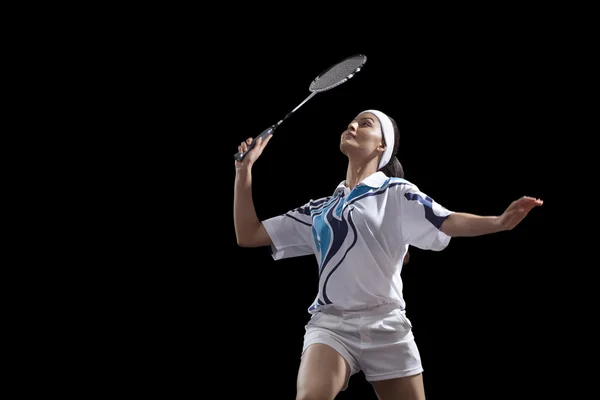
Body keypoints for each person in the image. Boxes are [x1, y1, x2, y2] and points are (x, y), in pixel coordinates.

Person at [233, 109, 543, 400]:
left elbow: (447, 220)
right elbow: (249, 234)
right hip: (331, 325)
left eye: (365, 123)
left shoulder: (397, 193)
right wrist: (243, 172)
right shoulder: (319, 209)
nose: (352, 125)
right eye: (351, 122)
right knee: (311, 396)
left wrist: (499, 223)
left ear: (383, 145)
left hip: (386, 327)